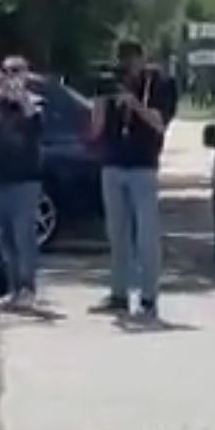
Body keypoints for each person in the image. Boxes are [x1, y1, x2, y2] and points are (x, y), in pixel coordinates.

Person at [87, 39, 174, 322]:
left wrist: (134, 103)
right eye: (121, 61)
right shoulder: (110, 84)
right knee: (117, 235)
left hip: (143, 166)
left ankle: (148, 298)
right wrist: (99, 103)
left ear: (140, 59)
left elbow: (159, 123)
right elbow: (95, 130)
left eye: (130, 61)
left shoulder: (158, 84)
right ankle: (119, 294)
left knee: (146, 236)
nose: (126, 68)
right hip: (113, 164)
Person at [0, 55, 47, 310]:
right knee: (4, 238)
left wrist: (19, 94)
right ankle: (13, 288)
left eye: (17, 71)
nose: (11, 76)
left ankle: (28, 288)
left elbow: (34, 120)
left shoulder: (35, 101)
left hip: (25, 179)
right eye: (7, 71)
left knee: (24, 236)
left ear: (26, 74)